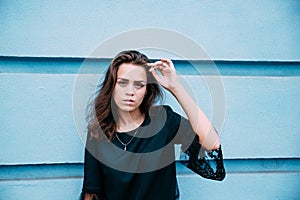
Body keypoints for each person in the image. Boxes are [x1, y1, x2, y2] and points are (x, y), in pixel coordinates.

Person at [80, 50, 225, 200]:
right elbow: (92, 194)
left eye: (139, 85)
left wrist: (175, 87)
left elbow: (212, 143)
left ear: (147, 90)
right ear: (112, 86)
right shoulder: (97, 132)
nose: (130, 92)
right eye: (123, 83)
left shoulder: (163, 120)